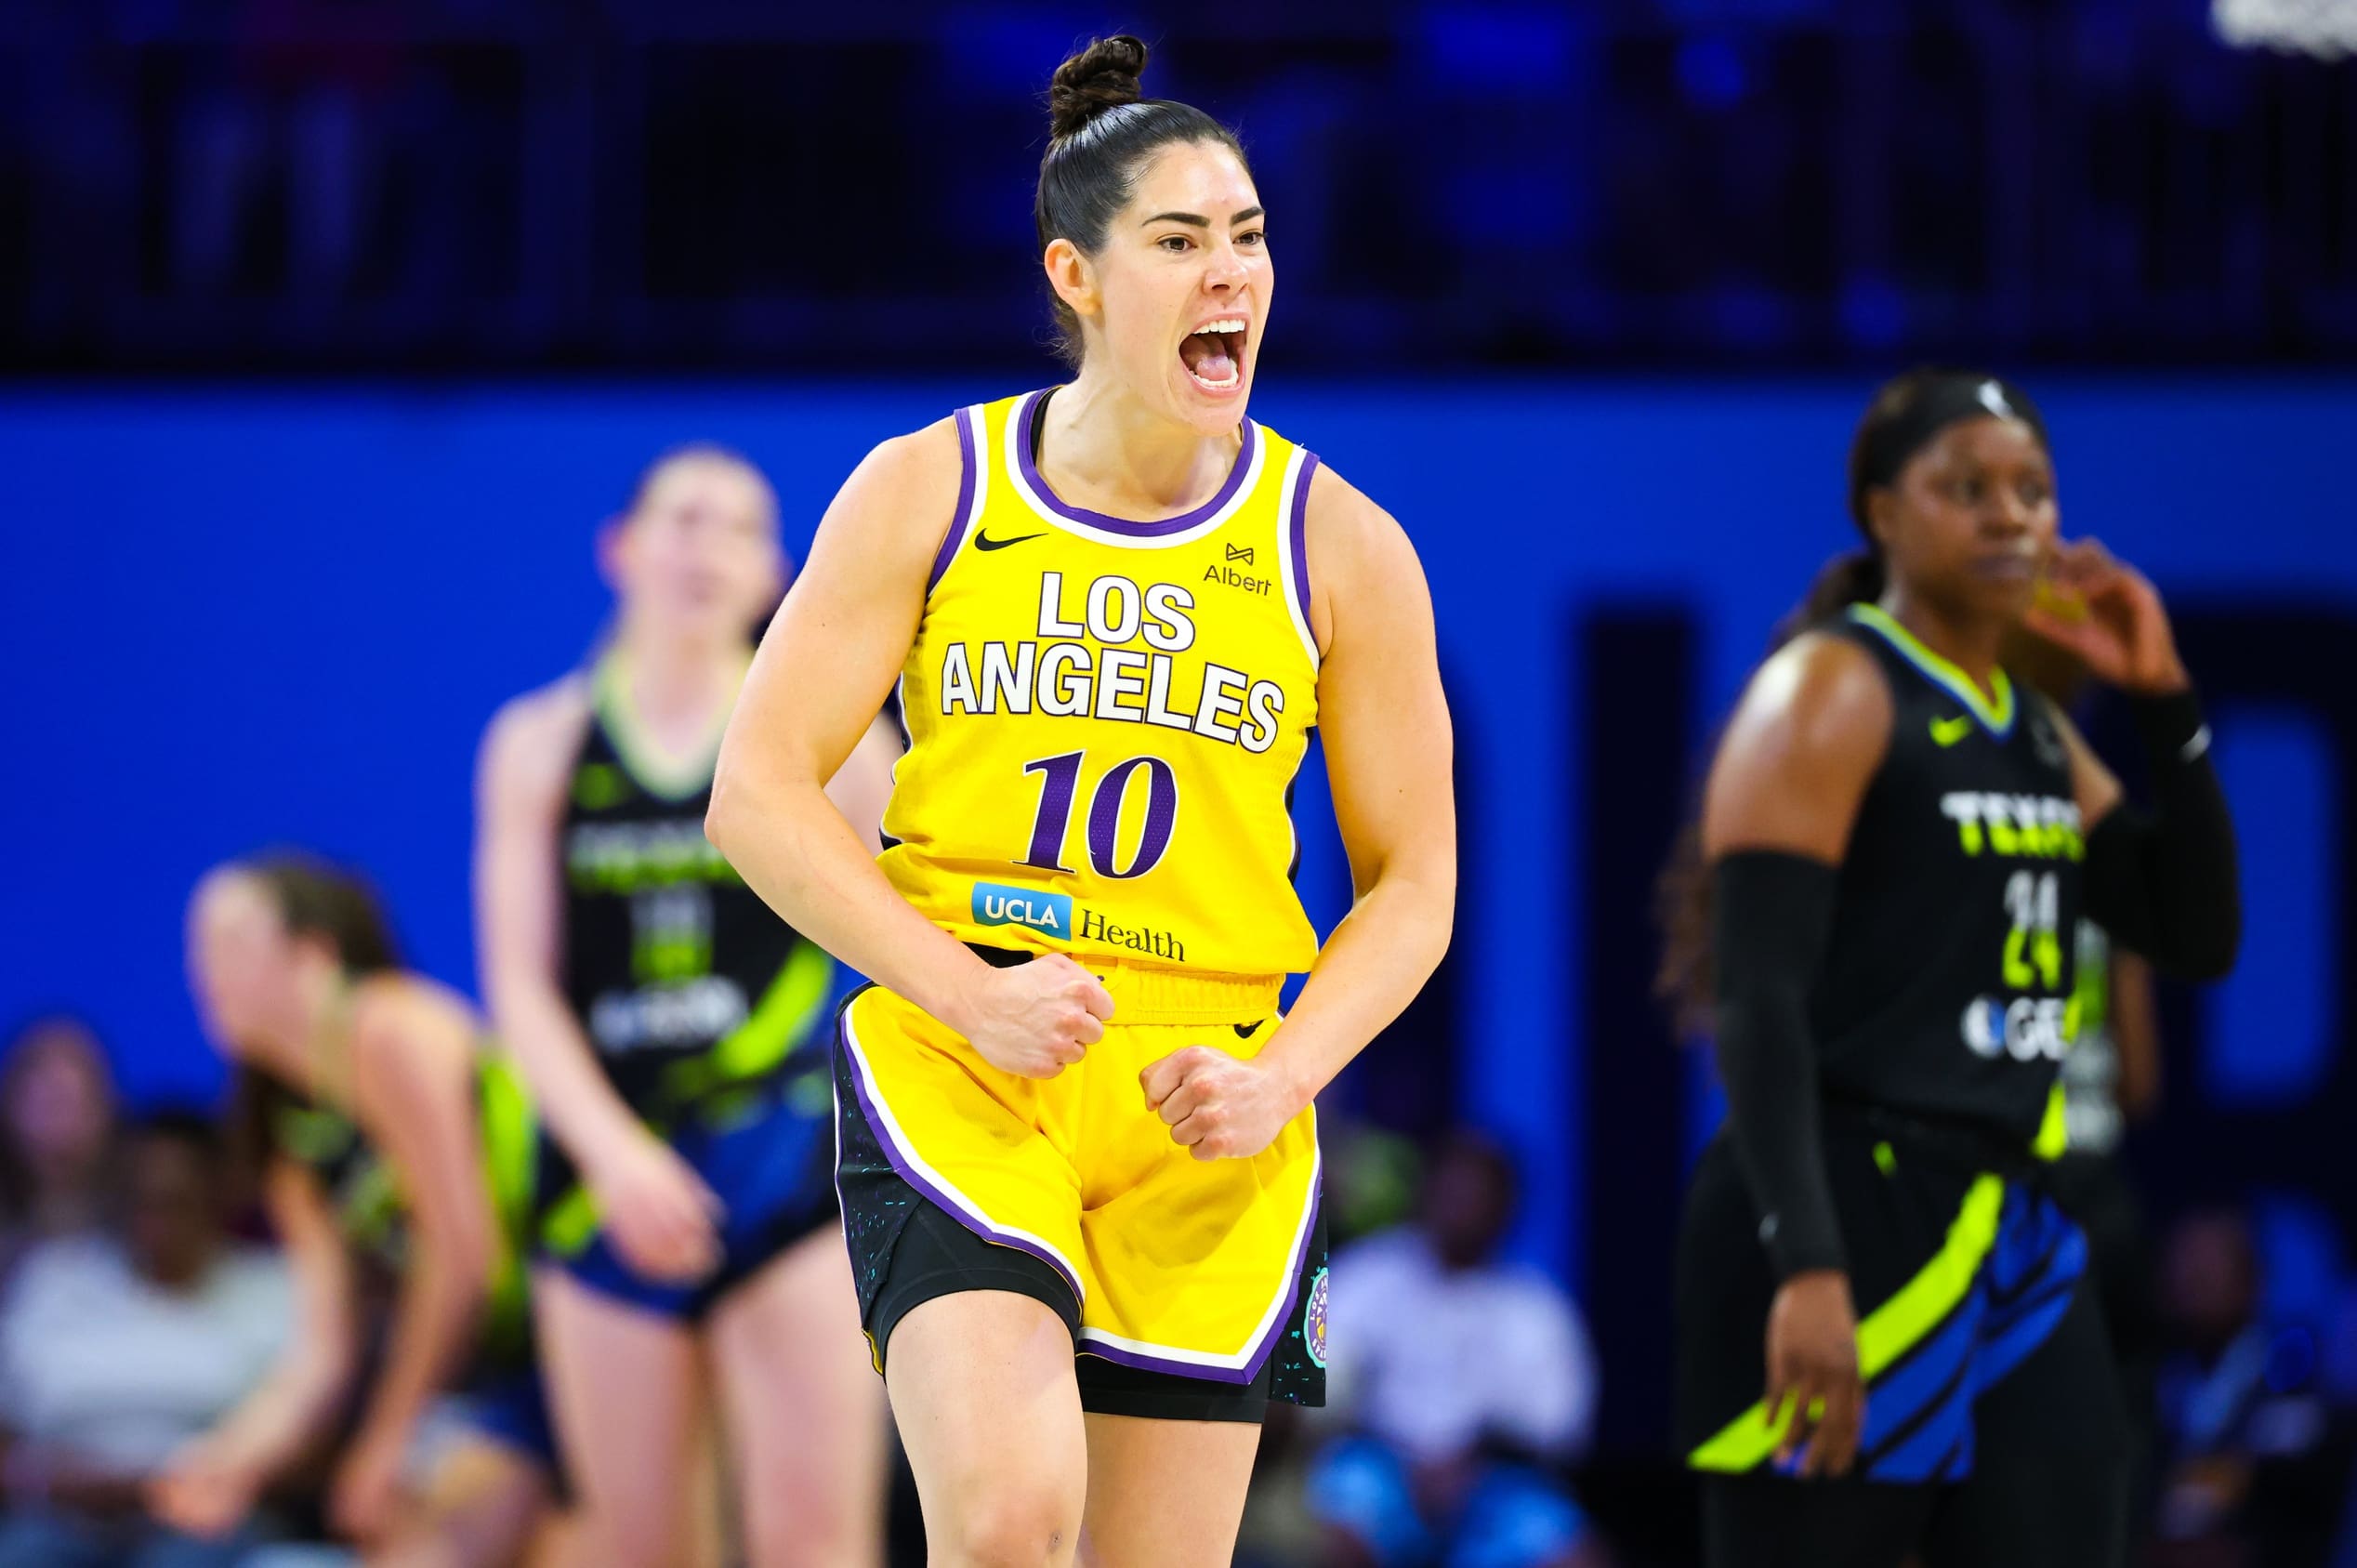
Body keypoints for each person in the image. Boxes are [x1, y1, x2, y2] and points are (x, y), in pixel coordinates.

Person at [704, 34, 1455, 1567]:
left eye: (1247, 236)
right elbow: (757, 795)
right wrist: (965, 994)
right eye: (1179, 241)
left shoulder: (1345, 545)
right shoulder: (931, 484)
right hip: (972, 1058)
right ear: (1079, 275)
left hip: (1210, 1098)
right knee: (1007, 1524)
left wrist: (1286, 1073)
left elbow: (1414, 887)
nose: (1228, 272)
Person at [1659, 368, 2239, 1566]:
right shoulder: (1830, 686)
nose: (2008, 516)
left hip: (2012, 1222)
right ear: (1883, 511)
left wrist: (2164, 700)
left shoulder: (2034, 729)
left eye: (2031, 490)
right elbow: (1757, 1003)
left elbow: (2194, 932)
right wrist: (1806, 1264)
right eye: (1965, 488)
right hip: (1845, 1200)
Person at [475, 444, 899, 1567]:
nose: (706, 548)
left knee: (817, 1545)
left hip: (790, 1166)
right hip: (607, 1178)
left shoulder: (844, 743)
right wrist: (614, 1157)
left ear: (775, 573)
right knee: (641, 1549)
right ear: (619, 549)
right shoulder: (538, 745)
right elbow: (520, 985)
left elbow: (923, 945)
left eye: (738, 527)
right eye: (683, 519)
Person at [159, 853, 561, 1568]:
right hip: (510, 1373)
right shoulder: (289, 1127)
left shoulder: (391, 1026)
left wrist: (386, 1436)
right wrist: (231, 1456)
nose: (204, 970)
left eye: (232, 942)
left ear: (315, 953)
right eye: (197, 948)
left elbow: (463, 1255)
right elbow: (324, 1346)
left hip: (589, 1319)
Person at [0, 1113, 291, 1568]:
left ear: (216, 1197)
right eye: (140, 1200)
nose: (155, 1221)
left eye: (175, 1202)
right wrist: (49, 1479)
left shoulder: (271, 1291)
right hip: (59, 1515)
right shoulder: (52, 1281)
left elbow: (307, 1436)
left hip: (208, 1521)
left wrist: (187, 1483)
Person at [1310, 1131, 1604, 1568]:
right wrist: (1409, 1461)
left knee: (1575, 1555)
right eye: (1453, 1192)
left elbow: (1559, 1427)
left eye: (1478, 1197)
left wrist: (1467, 1465)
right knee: (1331, 1530)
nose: (1462, 1209)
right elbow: (1323, 1390)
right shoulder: (1370, 1275)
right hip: (1382, 1466)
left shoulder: (1536, 1308)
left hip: (1491, 1480)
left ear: (1507, 1209)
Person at [0, 1014, 120, 1279]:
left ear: (107, 1111)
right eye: (47, 1105)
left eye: (75, 1104)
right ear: (9, 1109)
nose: (61, 1127)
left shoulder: (141, 1235)